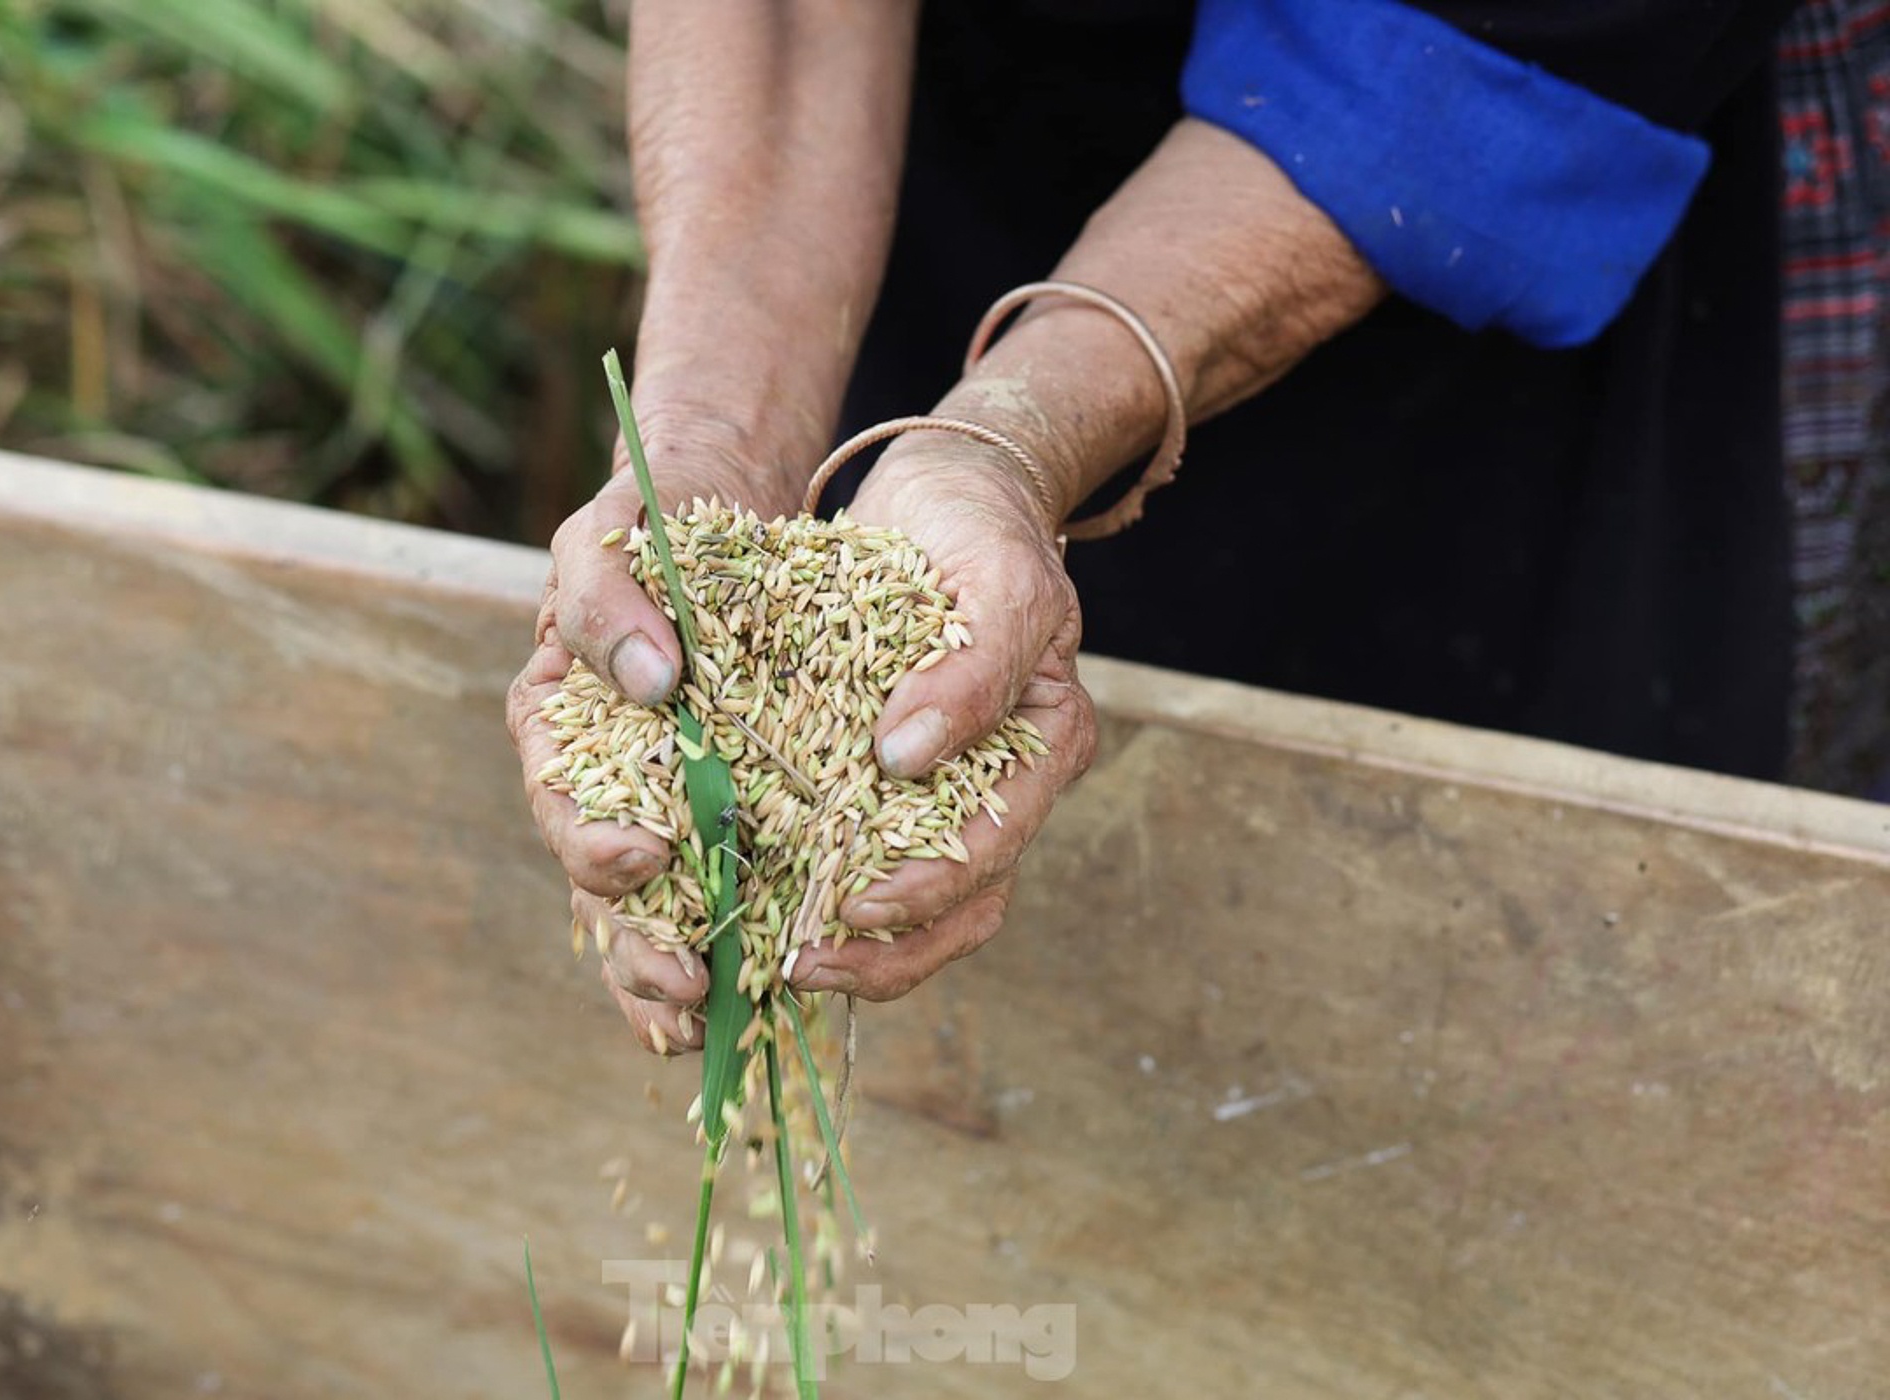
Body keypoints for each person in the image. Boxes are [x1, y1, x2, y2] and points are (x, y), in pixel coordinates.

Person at [508, 0, 1803, 1054]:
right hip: (957, 136)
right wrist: (711, 443)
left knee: (1506, 951)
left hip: (1492, 164)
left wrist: (1015, 430)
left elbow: (1471, 56)